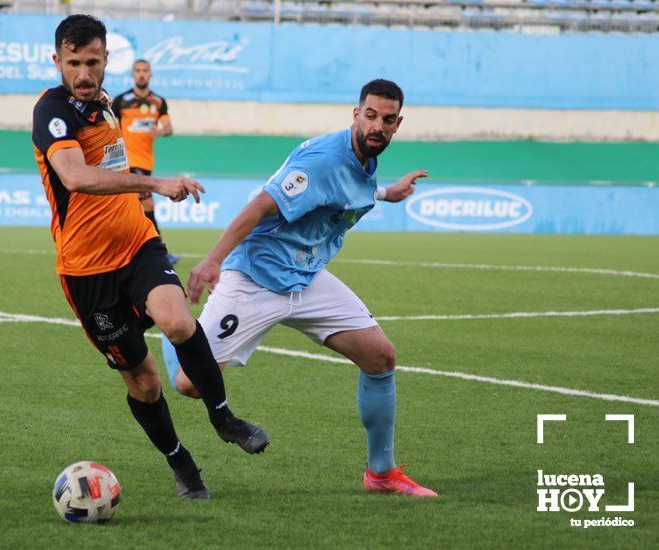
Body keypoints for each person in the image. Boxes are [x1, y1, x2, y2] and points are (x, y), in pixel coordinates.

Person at [31, 14, 268, 501]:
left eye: (92, 62)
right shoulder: (52, 111)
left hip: (137, 245)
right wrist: (155, 183)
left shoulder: (106, 104)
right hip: (86, 272)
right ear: (57, 61)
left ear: (105, 60)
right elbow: (76, 177)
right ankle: (182, 464)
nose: (83, 72)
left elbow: (111, 165)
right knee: (144, 381)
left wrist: (143, 201)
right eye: (73, 62)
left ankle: (223, 417)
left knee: (178, 321)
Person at [163, 79, 437, 498]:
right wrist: (214, 260)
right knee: (190, 384)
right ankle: (177, 322)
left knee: (381, 356)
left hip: (306, 278)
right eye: (370, 115)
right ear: (355, 114)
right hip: (256, 277)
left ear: (398, 123)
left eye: (387, 119)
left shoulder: (364, 160)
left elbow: (348, 188)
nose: (377, 125)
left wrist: (386, 192)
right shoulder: (323, 160)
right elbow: (258, 207)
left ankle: (380, 474)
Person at [112, 60, 180, 265]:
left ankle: (129, 249)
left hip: (146, 163)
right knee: (147, 202)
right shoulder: (121, 101)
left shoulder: (158, 102)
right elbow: (111, 128)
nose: (141, 74)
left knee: (134, 206)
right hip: (127, 162)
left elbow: (168, 128)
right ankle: (158, 252)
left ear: (150, 74)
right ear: (133, 74)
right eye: (138, 71)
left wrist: (158, 131)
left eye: (145, 71)